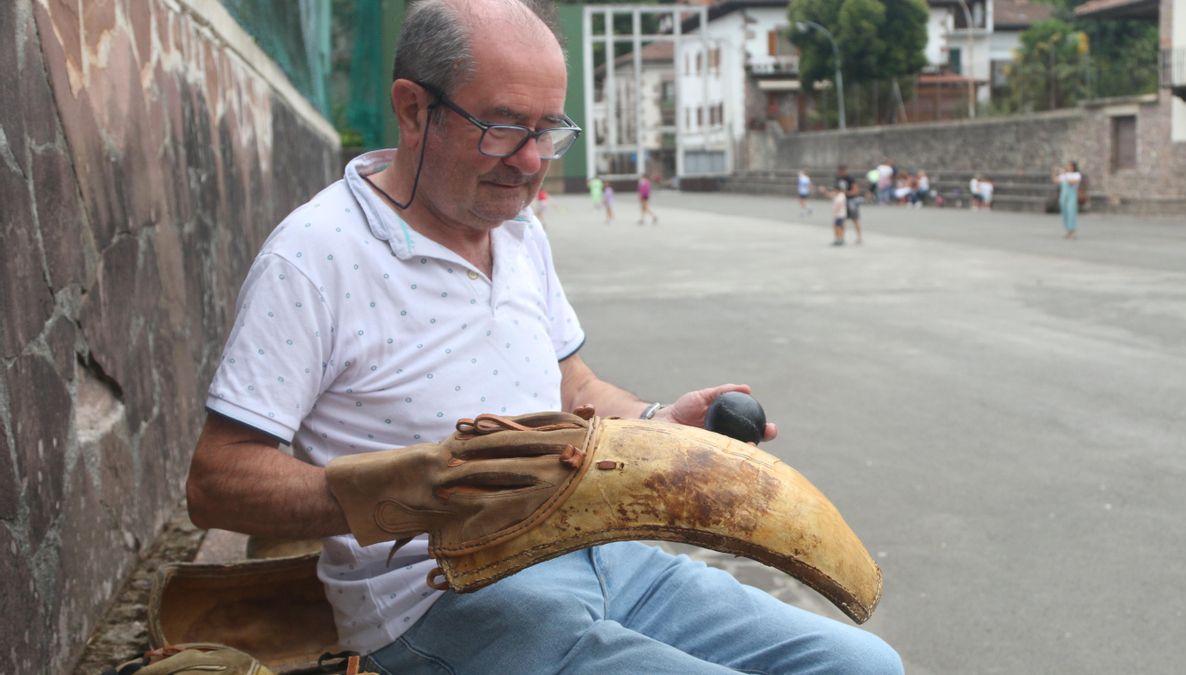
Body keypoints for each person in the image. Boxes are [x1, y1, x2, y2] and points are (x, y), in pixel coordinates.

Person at [185, 2, 902, 673]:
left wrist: (656, 422)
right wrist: (410, 488)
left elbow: (571, 383)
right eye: (502, 127)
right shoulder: (314, 254)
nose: (531, 161)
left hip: (595, 547)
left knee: (865, 664)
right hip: (441, 600)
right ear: (412, 109)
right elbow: (217, 482)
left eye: (548, 130)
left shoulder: (520, 234)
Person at [1055, 161, 1083, 239]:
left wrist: (1065, 175)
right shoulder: (1064, 175)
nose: (1068, 167)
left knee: (1071, 213)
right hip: (1063, 197)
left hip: (1072, 197)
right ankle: (1068, 230)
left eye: (1070, 166)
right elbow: (1056, 181)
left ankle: (1073, 230)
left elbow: (1072, 183)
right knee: (1065, 213)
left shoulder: (1076, 175)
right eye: (1068, 166)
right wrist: (1055, 172)